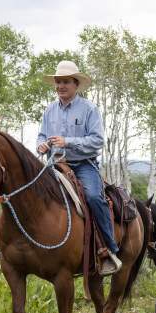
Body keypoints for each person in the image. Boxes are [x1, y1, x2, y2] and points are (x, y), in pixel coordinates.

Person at [36, 60, 122, 276]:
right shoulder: (49, 110)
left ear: (76, 84)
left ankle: (109, 248)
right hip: (53, 163)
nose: (60, 86)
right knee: (29, 192)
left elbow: (97, 141)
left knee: (93, 197)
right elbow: (42, 135)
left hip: (83, 164)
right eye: (58, 82)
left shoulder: (89, 109)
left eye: (65, 82)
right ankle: (25, 247)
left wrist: (68, 141)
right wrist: (41, 144)